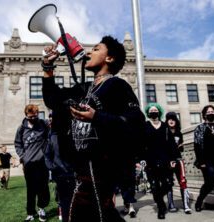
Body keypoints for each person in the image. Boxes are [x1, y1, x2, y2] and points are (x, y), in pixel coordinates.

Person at [41, 35, 144, 222]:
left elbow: (135, 122)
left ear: (109, 58)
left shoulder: (117, 86)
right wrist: (48, 68)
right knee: (98, 214)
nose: (89, 52)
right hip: (79, 167)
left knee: (82, 213)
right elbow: (53, 100)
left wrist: (96, 116)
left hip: (102, 167)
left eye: (96, 49)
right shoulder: (84, 88)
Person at [142, 103, 179, 219]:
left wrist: (173, 159)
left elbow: (172, 144)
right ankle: (161, 208)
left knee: (168, 183)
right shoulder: (145, 126)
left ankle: (157, 197)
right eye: (151, 110)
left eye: (155, 110)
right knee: (154, 186)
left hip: (165, 160)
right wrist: (141, 159)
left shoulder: (165, 127)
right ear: (148, 113)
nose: (153, 112)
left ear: (159, 112)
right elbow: (140, 144)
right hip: (150, 161)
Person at [15, 104, 50, 221]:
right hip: (29, 164)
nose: (34, 119)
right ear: (26, 116)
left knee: (43, 188)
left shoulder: (43, 124)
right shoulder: (21, 129)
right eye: (31, 117)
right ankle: (30, 213)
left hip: (42, 162)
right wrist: (23, 157)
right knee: (31, 189)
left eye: (36, 116)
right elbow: (18, 144)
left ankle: (41, 209)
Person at [44, 112, 73, 221]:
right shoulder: (53, 136)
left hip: (73, 174)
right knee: (64, 202)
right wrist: (52, 167)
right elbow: (47, 155)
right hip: (60, 175)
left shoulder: (71, 133)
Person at [165, 111, 192, 214]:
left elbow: (181, 149)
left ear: (176, 121)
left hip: (178, 160)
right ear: (167, 121)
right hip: (168, 161)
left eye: (173, 119)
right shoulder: (164, 132)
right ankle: (171, 204)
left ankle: (186, 205)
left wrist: (180, 147)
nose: (171, 121)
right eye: (169, 119)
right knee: (168, 182)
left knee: (183, 181)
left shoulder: (179, 133)